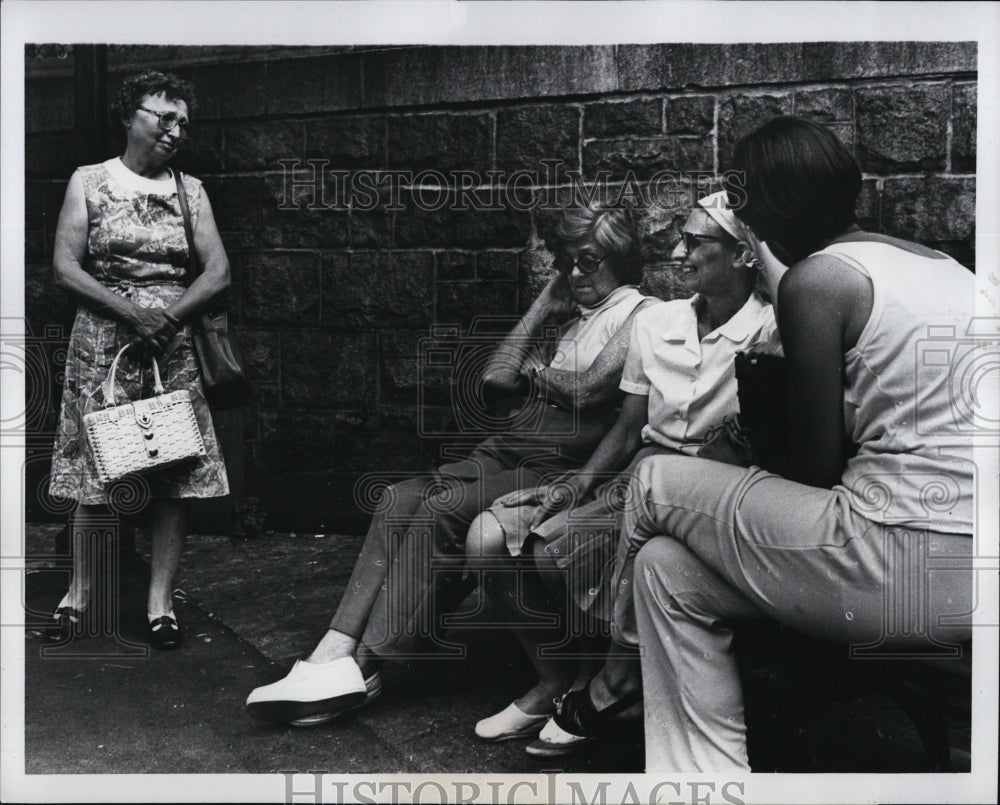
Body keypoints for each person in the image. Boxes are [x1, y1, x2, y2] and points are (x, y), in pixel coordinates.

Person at [626, 117, 975, 771]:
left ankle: (612, 673)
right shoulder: (944, 267)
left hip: (889, 556)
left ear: (758, 207)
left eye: (739, 198)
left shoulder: (818, 282)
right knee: (665, 569)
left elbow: (816, 467)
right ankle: (703, 780)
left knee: (651, 481)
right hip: (974, 571)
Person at [246, 203, 656, 725]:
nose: (574, 274)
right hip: (511, 445)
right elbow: (493, 380)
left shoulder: (642, 313)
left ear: (621, 259)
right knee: (399, 497)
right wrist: (539, 306)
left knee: (446, 506)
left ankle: (369, 665)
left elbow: (589, 388)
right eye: (565, 262)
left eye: (588, 261)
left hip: (559, 462)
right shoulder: (572, 315)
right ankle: (335, 648)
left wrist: (531, 374)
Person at [467, 191, 782, 755]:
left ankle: (607, 687)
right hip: (638, 471)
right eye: (680, 240)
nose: (680, 254)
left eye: (696, 243)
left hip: (712, 486)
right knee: (539, 540)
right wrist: (579, 482)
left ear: (743, 255)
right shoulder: (659, 322)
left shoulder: (770, 329)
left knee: (573, 552)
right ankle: (578, 684)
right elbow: (630, 425)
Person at [48, 71, 232, 650]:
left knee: (173, 473)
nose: (175, 131)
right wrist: (132, 314)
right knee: (95, 468)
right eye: (163, 117)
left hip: (170, 349)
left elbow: (218, 271)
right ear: (129, 117)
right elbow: (66, 267)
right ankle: (79, 593)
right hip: (104, 344)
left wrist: (169, 318)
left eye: (183, 122)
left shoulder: (190, 191)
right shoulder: (90, 182)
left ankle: (159, 605)